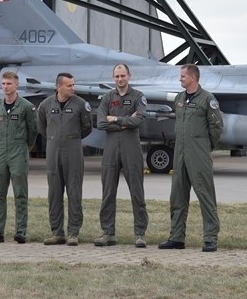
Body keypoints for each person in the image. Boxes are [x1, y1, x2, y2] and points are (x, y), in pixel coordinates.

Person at [158, 64, 223, 252]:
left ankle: (210, 238)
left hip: (198, 153)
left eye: (183, 76)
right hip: (180, 152)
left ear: (193, 78)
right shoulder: (179, 99)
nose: (180, 79)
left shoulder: (207, 99)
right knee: (177, 195)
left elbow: (217, 127)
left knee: (205, 195)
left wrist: (204, 146)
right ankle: (176, 237)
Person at [94, 63, 149, 248]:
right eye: (117, 76)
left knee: (137, 191)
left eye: (123, 76)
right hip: (110, 149)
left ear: (129, 76)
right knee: (108, 192)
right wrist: (125, 123)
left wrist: (115, 118)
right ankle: (108, 233)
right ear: (113, 78)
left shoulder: (138, 96)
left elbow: (139, 119)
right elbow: (101, 122)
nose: (120, 79)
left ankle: (140, 233)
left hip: (131, 148)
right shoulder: (107, 97)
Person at [36, 72, 92, 246]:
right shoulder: (46, 105)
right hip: (53, 150)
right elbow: (41, 127)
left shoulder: (81, 104)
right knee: (54, 193)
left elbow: (87, 127)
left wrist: (71, 137)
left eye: (73, 85)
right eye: (69, 85)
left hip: (73, 150)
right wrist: (55, 138)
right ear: (59, 86)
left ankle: (73, 232)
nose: (73, 88)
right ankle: (57, 232)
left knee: (74, 191)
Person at [0, 71, 38, 244]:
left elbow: (33, 131)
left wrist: (24, 147)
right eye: (4, 84)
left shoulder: (26, 107)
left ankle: (20, 230)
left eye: (9, 84)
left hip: (18, 152)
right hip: (0, 152)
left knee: (20, 193)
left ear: (17, 85)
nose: (6, 87)